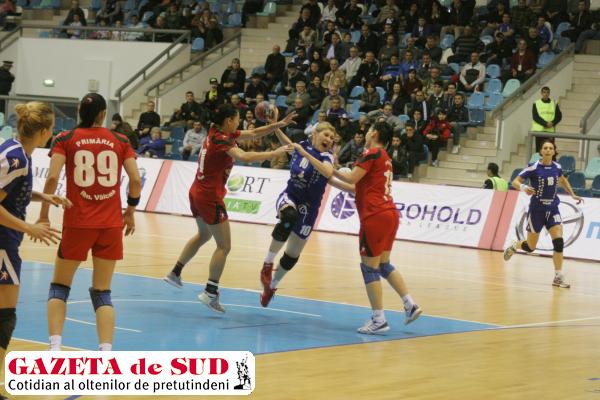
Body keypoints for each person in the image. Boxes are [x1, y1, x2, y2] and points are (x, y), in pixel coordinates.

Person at [163, 104, 296, 313]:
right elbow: (244, 156)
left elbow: (253, 132)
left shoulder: (216, 131)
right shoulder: (222, 140)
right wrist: (275, 153)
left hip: (197, 191)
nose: (239, 121)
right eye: (237, 118)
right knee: (224, 247)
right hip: (210, 197)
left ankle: (175, 272)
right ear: (228, 121)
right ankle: (210, 292)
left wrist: (277, 125)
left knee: (203, 234)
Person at [39, 93, 142, 352]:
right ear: (103, 114)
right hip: (110, 225)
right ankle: (105, 352)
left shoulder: (65, 138)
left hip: (78, 223)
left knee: (59, 287)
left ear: (79, 112)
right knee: (102, 291)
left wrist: (43, 214)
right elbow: (135, 180)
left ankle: (54, 348)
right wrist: (130, 211)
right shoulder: (120, 140)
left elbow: (52, 178)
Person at [332, 122, 422, 333]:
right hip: (390, 214)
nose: (366, 133)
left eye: (369, 130)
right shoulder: (385, 157)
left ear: (374, 133)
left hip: (375, 216)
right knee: (382, 264)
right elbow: (356, 188)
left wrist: (330, 169)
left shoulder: (371, 153)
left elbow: (351, 177)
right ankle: (410, 304)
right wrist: (330, 180)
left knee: (369, 268)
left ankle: (379, 319)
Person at [0, 102, 69, 376]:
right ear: (42, 131)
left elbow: (11, 192)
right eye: (51, 128)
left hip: (6, 242)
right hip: (3, 243)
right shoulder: (16, 159)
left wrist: (43, 196)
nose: (52, 133)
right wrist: (30, 228)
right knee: (5, 317)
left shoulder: (15, 151)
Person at [259, 122, 355, 307]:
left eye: (331, 138)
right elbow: (289, 145)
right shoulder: (302, 146)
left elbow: (327, 172)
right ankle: (267, 264)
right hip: (291, 196)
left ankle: (272, 286)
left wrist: (353, 189)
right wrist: (275, 126)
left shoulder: (327, 157)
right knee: (288, 217)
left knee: (292, 254)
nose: (329, 139)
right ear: (315, 134)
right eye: (326, 135)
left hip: (310, 208)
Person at [503, 140, 583, 288]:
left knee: (558, 242)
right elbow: (515, 182)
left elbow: (563, 180)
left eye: (550, 148)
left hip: (553, 210)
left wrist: (572, 194)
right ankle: (515, 245)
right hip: (536, 211)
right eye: (545, 148)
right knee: (530, 247)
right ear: (541, 151)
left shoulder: (557, 167)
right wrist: (524, 187)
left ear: (554, 151)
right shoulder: (534, 167)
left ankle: (558, 276)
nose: (547, 150)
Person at [531, 87, 562, 152]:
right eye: (544, 92)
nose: (546, 94)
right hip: (539, 131)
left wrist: (553, 123)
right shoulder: (536, 103)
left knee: (550, 152)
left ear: (549, 93)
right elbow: (535, 117)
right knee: (539, 152)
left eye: (547, 92)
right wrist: (545, 124)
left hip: (550, 132)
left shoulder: (554, 103)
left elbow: (559, 116)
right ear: (541, 93)